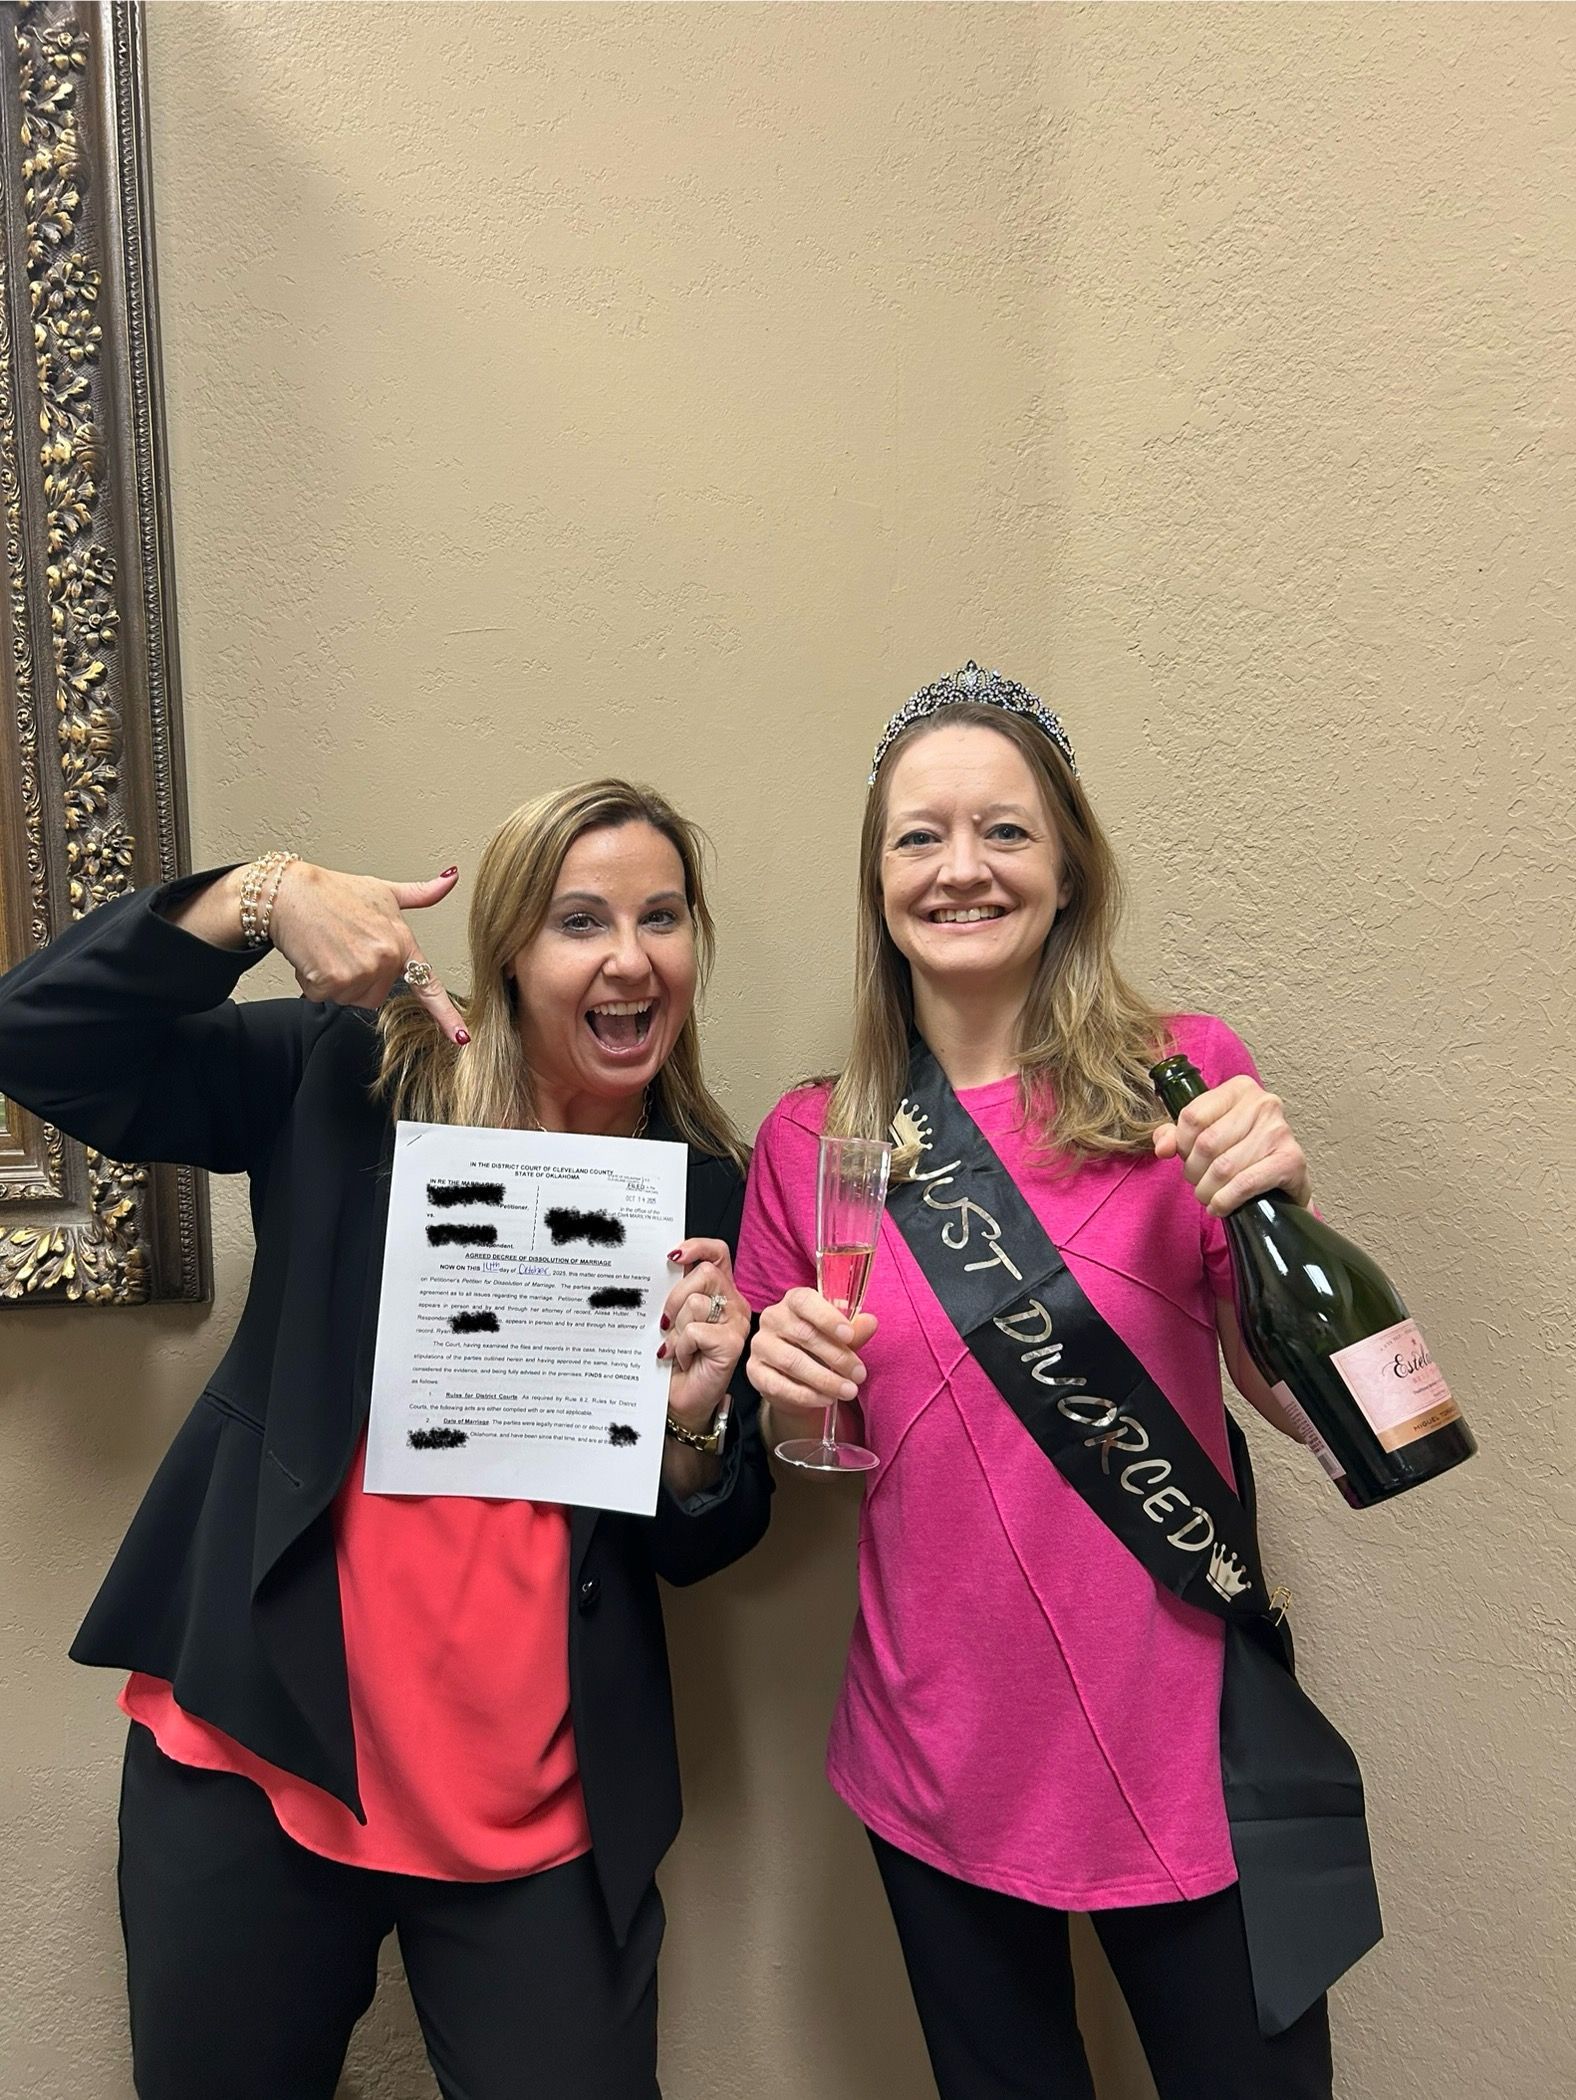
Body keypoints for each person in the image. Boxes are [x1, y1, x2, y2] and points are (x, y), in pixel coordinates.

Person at [0, 778, 771, 2100]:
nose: (631, 956)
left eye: (663, 917)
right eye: (582, 921)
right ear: (513, 953)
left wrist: (694, 1431)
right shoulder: (350, 1079)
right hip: (258, 1761)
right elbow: (38, 1038)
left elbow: (705, 1536)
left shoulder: (708, 1190)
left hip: (537, 1810)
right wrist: (258, 896)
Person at [736, 663, 1374, 2100]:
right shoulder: (809, 1139)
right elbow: (816, 1438)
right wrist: (780, 1388)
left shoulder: (1183, 1080)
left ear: (1069, 863)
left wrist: (1285, 1217)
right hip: (934, 1748)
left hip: (1185, 1749)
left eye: (1006, 831)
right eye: (920, 836)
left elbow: (1318, 1407)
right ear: (878, 878)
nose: (962, 868)